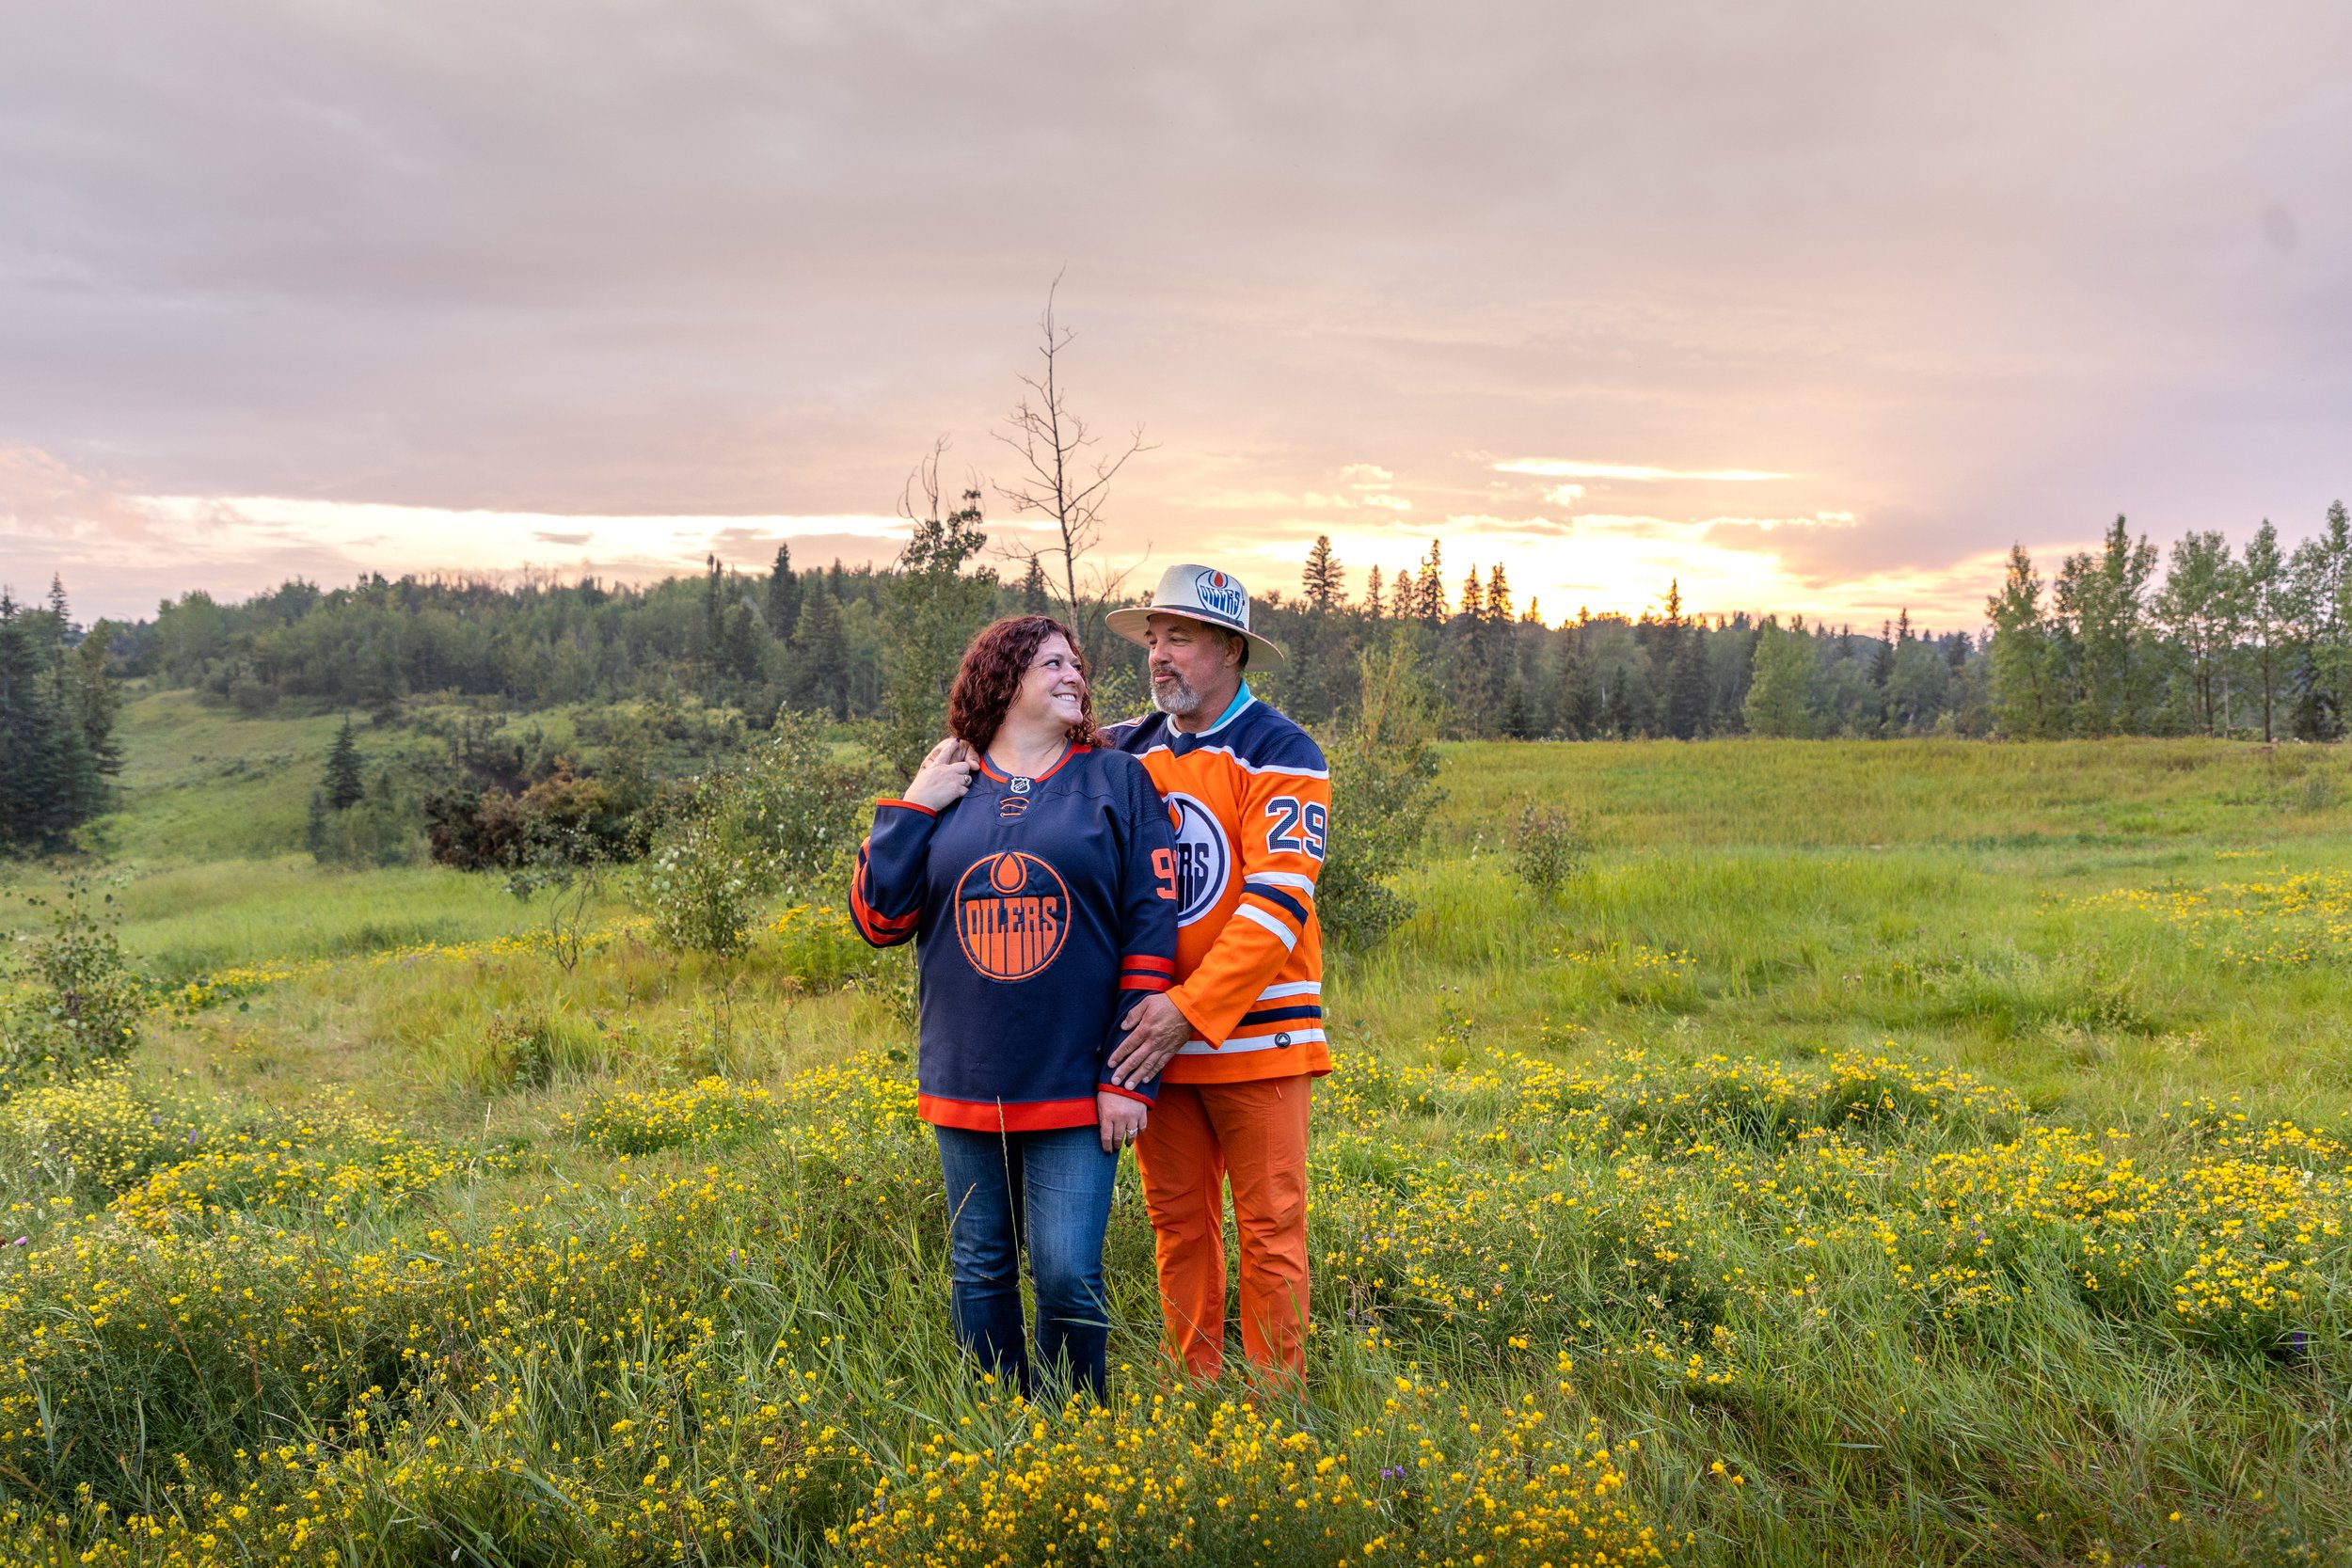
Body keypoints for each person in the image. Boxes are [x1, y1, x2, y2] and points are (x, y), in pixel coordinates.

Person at [850, 614, 1179, 1402]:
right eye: (1053, 663)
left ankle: (1073, 1435)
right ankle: (999, 1428)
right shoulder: (948, 782)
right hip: (967, 1074)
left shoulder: (1117, 781)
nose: (1076, 676)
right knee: (981, 1266)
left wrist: (1127, 1077)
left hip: (1075, 1080)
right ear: (1003, 678)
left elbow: (1150, 929)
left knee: (1067, 1272)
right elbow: (877, 921)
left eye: (1078, 664)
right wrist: (915, 804)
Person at [1100, 565, 1330, 1385]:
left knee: (1270, 1228)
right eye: (1153, 640)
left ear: (1231, 649)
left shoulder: (1282, 751)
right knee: (1178, 1225)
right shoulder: (1123, 748)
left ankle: (1276, 1405)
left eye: (1180, 639)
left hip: (1259, 1038)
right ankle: (1194, 1389)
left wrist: (1188, 1011)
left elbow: (1278, 904)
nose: (1159, 656)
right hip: (1156, 1043)